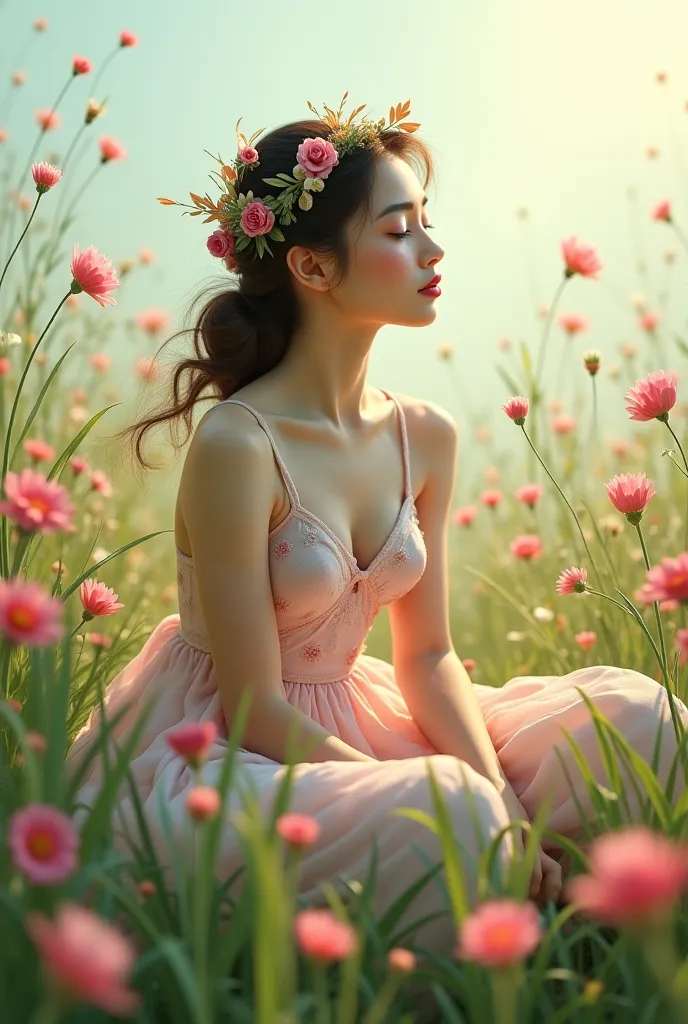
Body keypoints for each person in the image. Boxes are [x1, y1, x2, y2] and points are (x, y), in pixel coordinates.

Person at [67, 95, 687, 959]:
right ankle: (474, 922)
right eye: (399, 231)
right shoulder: (238, 445)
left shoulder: (424, 435)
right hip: (235, 747)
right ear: (313, 270)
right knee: (450, 816)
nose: (431, 251)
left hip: (369, 712)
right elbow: (252, 706)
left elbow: (426, 656)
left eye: (426, 223)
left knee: (643, 719)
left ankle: (573, 924)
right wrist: (449, 798)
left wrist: (495, 795)